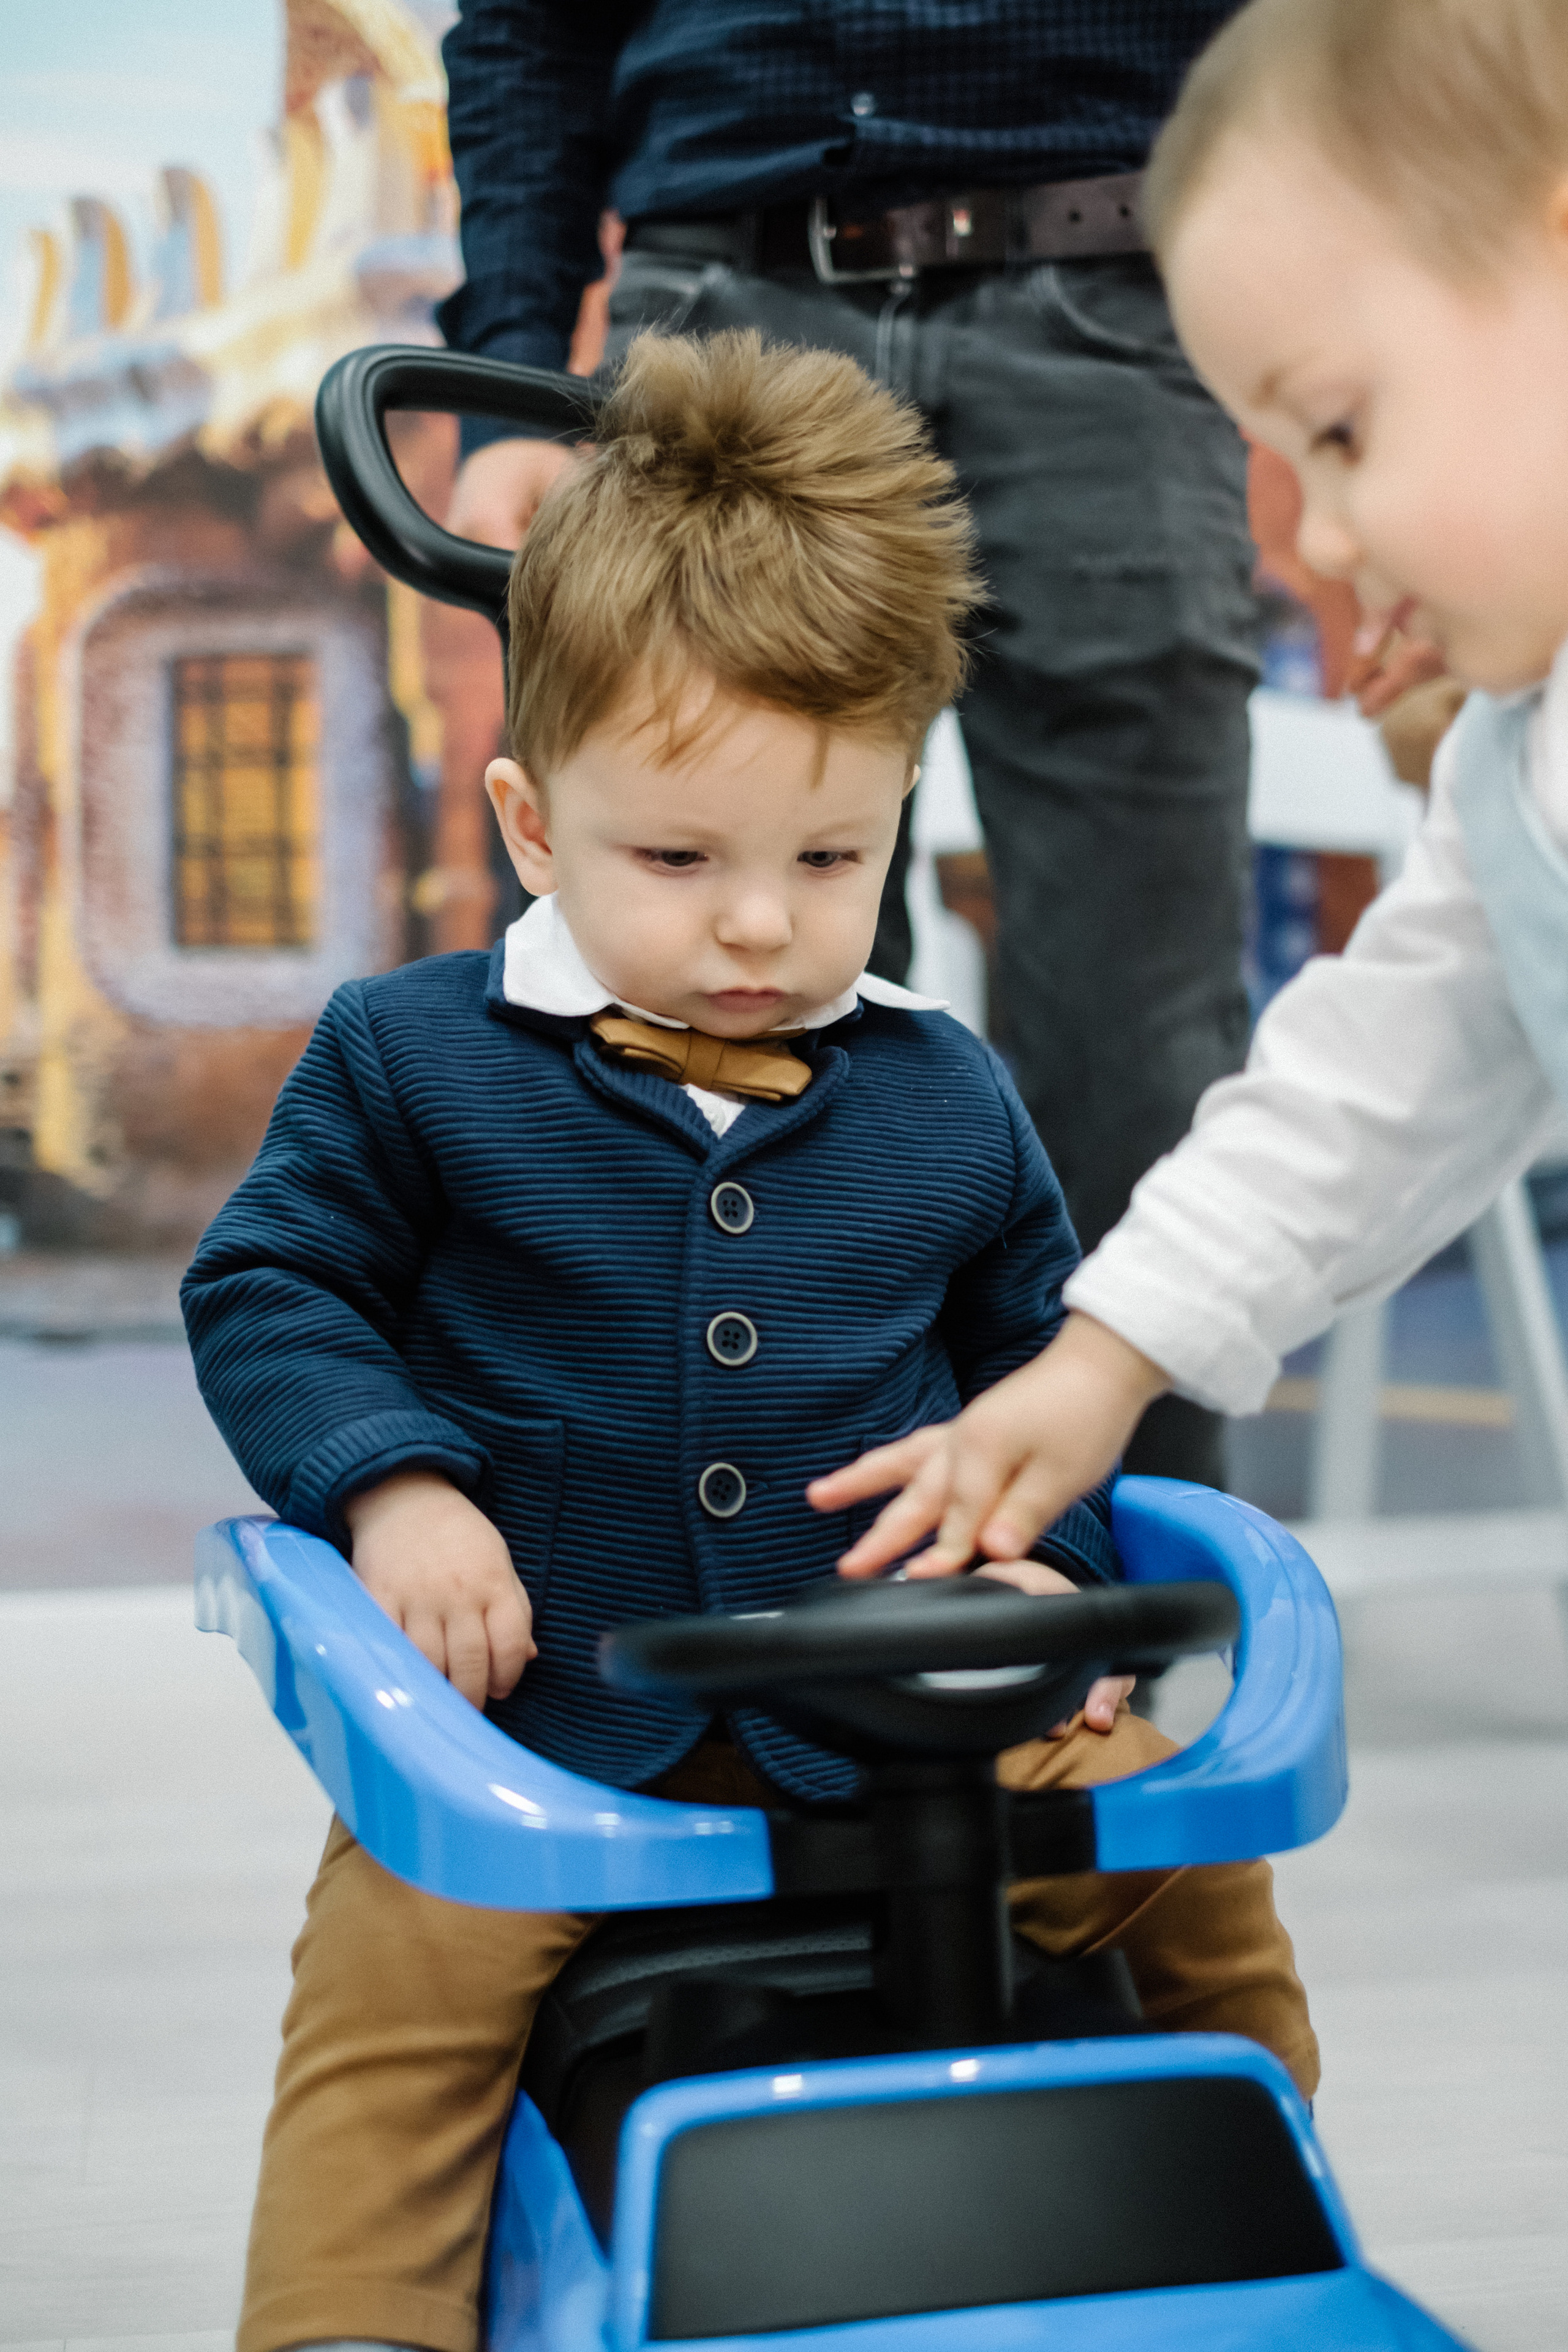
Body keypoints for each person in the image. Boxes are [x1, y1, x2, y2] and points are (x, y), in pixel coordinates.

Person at [183, 334, 1317, 2352]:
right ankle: (348, 2327)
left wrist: (1035, 1566)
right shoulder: (410, 1059)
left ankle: (1263, 2248)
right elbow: (274, 1289)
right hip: (538, 1742)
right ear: (534, 824)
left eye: (830, 859)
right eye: (680, 860)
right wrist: (401, 1486)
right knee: (398, 1994)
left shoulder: (944, 1092)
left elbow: (1027, 1365)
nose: (763, 931)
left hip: (915, 1717)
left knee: (1182, 1867)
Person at [435, 0, 1264, 1493]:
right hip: (719, 305)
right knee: (650, 1020)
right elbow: (521, 19)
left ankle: (1108, 1645)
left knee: (1136, 1049)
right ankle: (626, 1604)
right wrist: (507, 352)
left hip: (1109, 286)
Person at [811, 0, 1568, 1583]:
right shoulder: (1516, 760)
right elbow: (1378, 1074)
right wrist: (1106, 1357)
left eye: (1348, 433)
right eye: (1301, 461)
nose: (1336, 541)